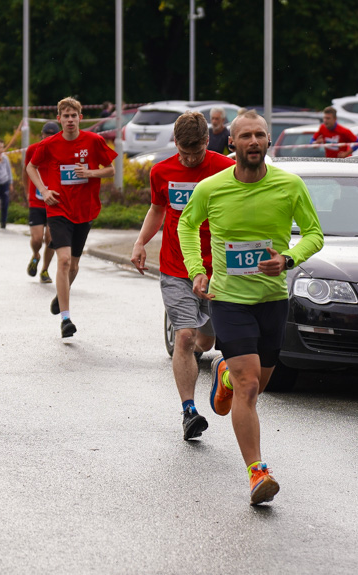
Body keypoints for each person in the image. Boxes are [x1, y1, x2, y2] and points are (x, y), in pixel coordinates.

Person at [177, 110, 324, 505]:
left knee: (259, 384)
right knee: (250, 384)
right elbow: (186, 226)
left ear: (268, 142)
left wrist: (288, 259)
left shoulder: (289, 185)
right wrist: (198, 270)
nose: (254, 141)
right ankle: (258, 473)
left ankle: (223, 375)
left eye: (260, 135)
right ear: (232, 143)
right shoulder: (211, 188)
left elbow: (314, 234)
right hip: (228, 299)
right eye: (246, 136)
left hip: (272, 298)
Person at [131, 111, 235, 441]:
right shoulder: (161, 171)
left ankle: (213, 360)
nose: (190, 159)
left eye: (196, 152)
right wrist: (140, 241)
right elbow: (157, 209)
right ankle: (189, 411)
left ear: (208, 141)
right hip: (176, 268)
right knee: (186, 338)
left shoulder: (225, 169)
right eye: (184, 152)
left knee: (207, 341)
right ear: (174, 143)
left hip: (217, 268)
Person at [26, 97, 118, 338]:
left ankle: (61, 295)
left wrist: (89, 172)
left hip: (84, 209)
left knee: (74, 266)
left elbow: (111, 170)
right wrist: (44, 191)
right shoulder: (49, 144)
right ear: (59, 119)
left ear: (80, 118)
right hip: (58, 209)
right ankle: (66, 319)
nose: (69, 120)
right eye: (65, 116)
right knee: (64, 260)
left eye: (73, 115)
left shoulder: (94, 141)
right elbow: (31, 168)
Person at [24, 121, 61, 283]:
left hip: (54, 201)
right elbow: (26, 170)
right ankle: (35, 255)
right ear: (42, 135)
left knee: (51, 239)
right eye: (47, 135)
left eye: (53, 135)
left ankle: (45, 270)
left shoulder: (62, 151)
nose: (50, 138)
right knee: (38, 239)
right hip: (37, 200)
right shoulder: (33, 149)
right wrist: (27, 191)